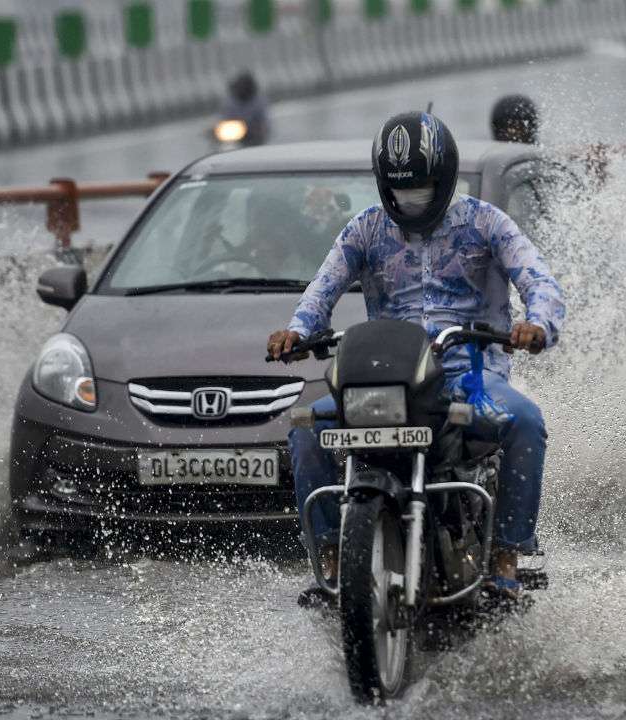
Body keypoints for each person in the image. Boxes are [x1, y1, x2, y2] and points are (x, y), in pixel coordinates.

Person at [267, 111, 565, 601]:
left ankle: (508, 557)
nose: (412, 200)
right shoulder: (364, 229)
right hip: (387, 376)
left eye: (422, 189)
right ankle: (332, 560)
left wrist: (537, 325)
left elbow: (539, 281)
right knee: (305, 429)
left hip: (468, 375)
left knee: (526, 421)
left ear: (443, 177)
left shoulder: (486, 222)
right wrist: (298, 332)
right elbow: (320, 294)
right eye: (402, 191)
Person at [220, 71, 270, 146]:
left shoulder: (258, 100)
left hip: (254, 132)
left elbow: (263, 117)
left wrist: (259, 127)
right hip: (235, 131)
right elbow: (224, 116)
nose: (241, 89)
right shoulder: (230, 101)